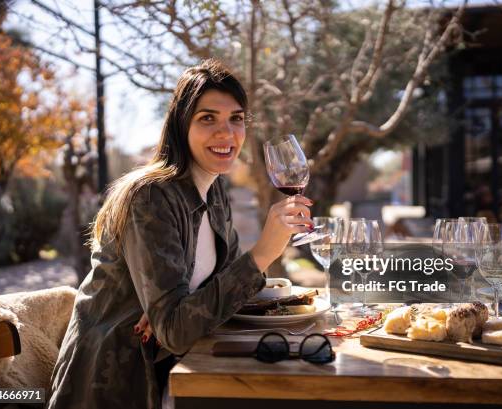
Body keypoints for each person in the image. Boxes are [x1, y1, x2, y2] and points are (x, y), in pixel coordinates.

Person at [47, 59, 313, 409]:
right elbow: (175, 329)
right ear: (180, 125)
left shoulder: (214, 191)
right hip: (116, 385)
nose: (227, 133)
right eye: (207, 119)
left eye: (236, 118)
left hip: (174, 368)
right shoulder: (150, 197)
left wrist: (174, 308)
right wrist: (263, 254)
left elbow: (209, 296)